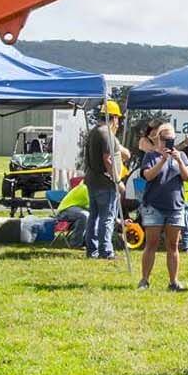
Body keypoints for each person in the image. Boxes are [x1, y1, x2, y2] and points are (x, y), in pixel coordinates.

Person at [133, 122, 188, 290]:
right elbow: (148, 176)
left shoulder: (181, 156)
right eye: (165, 139)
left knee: (173, 246)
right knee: (151, 244)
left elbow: (187, 177)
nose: (168, 142)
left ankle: (173, 282)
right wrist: (163, 160)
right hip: (154, 206)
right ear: (158, 138)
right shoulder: (150, 156)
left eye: (171, 139)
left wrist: (178, 160)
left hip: (175, 206)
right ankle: (144, 280)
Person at [80, 101, 124, 260]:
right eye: (118, 118)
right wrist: (117, 180)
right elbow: (108, 159)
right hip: (105, 183)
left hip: (92, 181)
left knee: (94, 216)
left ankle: (92, 250)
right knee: (107, 217)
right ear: (113, 118)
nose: (118, 122)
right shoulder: (106, 133)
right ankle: (106, 251)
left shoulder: (94, 132)